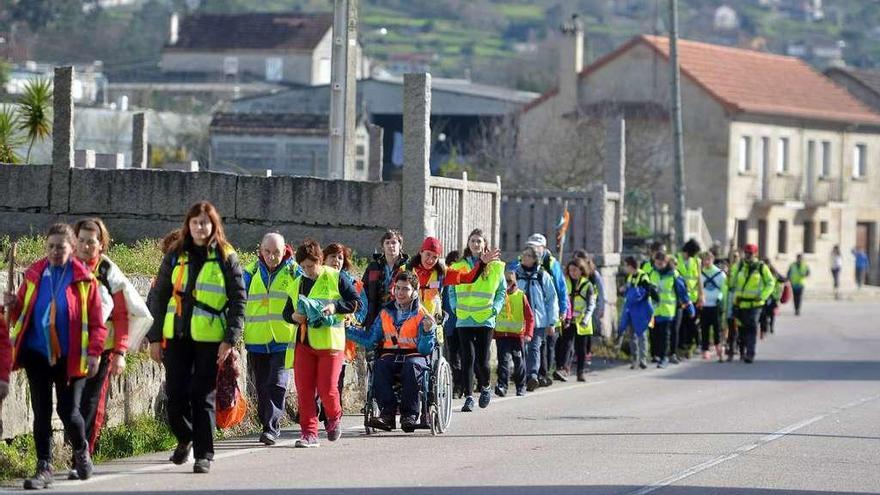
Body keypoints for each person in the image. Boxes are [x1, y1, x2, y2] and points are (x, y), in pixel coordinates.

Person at [147, 201, 246, 474]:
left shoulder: (226, 255)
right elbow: (159, 295)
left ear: (214, 225)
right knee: (176, 394)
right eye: (195, 222)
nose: (200, 227)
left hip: (210, 337)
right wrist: (154, 337)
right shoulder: (175, 254)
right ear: (188, 225)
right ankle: (185, 436)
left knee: (202, 395)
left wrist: (230, 338)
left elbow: (239, 299)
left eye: (205, 222)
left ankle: (204, 454)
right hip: (177, 335)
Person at [4, 223, 107, 488]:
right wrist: (13, 305)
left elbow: (97, 323)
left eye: (60, 247)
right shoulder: (36, 274)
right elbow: (21, 314)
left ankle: (81, 448)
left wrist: (95, 353)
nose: (55, 251)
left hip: (70, 357)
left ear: (72, 248)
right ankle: (44, 466)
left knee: (68, 411)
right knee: (41, 410)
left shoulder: (85, 280)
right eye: (50, 246)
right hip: (36, 353)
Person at [72, 218, 152, 473]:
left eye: (91, 241)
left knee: (91, 404)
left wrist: (120, 352)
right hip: (69, 347)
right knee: (69, 405)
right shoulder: (66, 266)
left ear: (101, 244)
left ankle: (83, 454)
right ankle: (76, 448)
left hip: (101, 350)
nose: (85, 246)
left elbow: (121, 315)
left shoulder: (107, 272)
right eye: (81, 240)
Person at [284, 239, 360, 448]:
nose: (307, 270)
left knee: (327, 390)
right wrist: (294, 316)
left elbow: (356, 303)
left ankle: (334, 417)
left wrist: (335, 307)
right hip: (304, 344)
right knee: (305, 391)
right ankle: (309, 433)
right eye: (303, 267)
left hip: (331, 345)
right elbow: (286, 313)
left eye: (311, 266)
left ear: (320, 260)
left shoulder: (336, 277)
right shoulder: (296, 283)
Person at [347, 271, 436, 432]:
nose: (400, 293)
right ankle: (387, 415)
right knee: (379, 366)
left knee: (411, 366)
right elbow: (370, 339)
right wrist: (347, 329)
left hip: (415, 356)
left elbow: (425, 349)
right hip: (390, 354)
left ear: (414, 292)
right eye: (398, 288)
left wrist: (428, 332)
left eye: (405, 289)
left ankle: (409, 415)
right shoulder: (385, 312)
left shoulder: (423, 315)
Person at [242, 233, 299, 446]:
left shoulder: (294, 272)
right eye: (267, 251)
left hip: (283, 338)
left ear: (284, 250)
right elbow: (237, 297)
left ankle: (271, 428)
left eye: (276, 252)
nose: (272, 256)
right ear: (261, 250)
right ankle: (265, 420)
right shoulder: (251, 271)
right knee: (262, 385)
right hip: (257, 338)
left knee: (277, 383)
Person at [449, 229, 506, 412]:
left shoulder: (496, 267)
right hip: (464, 318)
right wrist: (455, 307)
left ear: (484, 244)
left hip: (484, 318)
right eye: (472, 241)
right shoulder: (458, 266)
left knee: (482, 361)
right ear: (468, 243)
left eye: (479, 241)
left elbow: (501, 291)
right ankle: (468, 397)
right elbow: (451, 288)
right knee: (467, 358)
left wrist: (495, 310)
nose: (475, 244)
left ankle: (486, 387)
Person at [322, 242, 368, 422]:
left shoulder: (354, 283)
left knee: (336, 378)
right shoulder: (315, 279)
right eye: (333, 256)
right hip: (317, 335)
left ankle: (332, 416)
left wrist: (351, 318)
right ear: (324, 259)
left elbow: (361, 309)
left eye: (340, 257)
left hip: (342, 337)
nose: (336, 261)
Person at [519, 234, 567, 387]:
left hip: (539, 318)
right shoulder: (516, 271)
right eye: (528, 247)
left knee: (535, 347)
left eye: (535, 247)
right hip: (520, 319)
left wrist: (555, 318)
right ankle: (524, 374)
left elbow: (556, 294)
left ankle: (534, 374)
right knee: (521, 348)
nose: (531, 250)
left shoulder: (548, 270)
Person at [727, 243, 776, 363]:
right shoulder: (738, 266)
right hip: (740, 304)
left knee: (752, 328)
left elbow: (770, 283)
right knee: (741, 329)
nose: (748, 255)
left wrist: (763, 296)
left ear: (755, 254)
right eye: (746, 253)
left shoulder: (761, 267)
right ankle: (742, 351)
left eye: (750, 253)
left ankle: (750, 353)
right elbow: (731, 285)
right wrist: (730, 274)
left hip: (755, 304)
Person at [648, 252, 693, 369]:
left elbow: (682, 292)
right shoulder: (652, 273)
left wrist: (689, 307)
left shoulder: (673, 274)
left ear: (666, 262)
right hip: (655, 310)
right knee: (656, 335)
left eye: (661, 264)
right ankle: (658, 355)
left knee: (665, 335)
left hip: (668, 311)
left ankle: (664, 358)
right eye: (657, 263)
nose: (659, 266)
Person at [493, 271, 534, 397]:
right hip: (501, 335)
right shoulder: (498, 295)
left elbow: (530, 317)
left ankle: (521, 386)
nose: (507, 284)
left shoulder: (521, 296)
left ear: (515, 281)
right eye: (504, 281)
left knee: (519, 361)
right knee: (503, 361)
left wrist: (528, 333)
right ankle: (502, 386)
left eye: (509, 281)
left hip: (517, 335)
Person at [556, 258, 596, 382]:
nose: (572, 272)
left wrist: (586, 318)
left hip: (582, 322)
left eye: (575, 270)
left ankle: (580, 372)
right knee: (566, 344)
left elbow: (591, 304)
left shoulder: (587, 285)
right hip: (568, 320)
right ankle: (563, 369)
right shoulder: (564, 282)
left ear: (581, 270)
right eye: (570, 270)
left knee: (581, 348)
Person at [362, 230, 409, 329]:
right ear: (382, 246)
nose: (390, 245)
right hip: (375, 314)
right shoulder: (373, 266)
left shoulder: (408, 267)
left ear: (400, 245)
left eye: (394, 242)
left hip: (400, 314)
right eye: (387, 243)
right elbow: (363, 289)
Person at [618, 256, 654, 370]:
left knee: (642, 334)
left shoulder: (643, 276)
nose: (624, 268)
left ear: (630, 266)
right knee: (632, 335)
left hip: (641, 310)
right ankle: (635, 360)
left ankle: (643, 359)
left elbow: (647, 292)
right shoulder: (629, 277)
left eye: (625, 265)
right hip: (631, 310)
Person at [675, 239, 704, 358]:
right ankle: (681, 347)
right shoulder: (676, 259)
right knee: (681, 324)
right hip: (681, 298)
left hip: (693, 298)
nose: (690, 257)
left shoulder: (697, 261)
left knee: (692, 323)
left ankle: (691, 345)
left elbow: (699, 280)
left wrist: (701, 296)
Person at [700, 251, 726, 362]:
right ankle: (705, 349)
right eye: (704, 260)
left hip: (716, 305)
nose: (706, 262)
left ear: (712, 259)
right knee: (704, 328)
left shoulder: (720, 274)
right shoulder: (699, 273)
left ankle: (719, 348)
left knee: (717, 329)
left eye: (708, 260)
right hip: (704, 305)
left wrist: (720, 299)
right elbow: (698, 288)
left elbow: (724, 289)